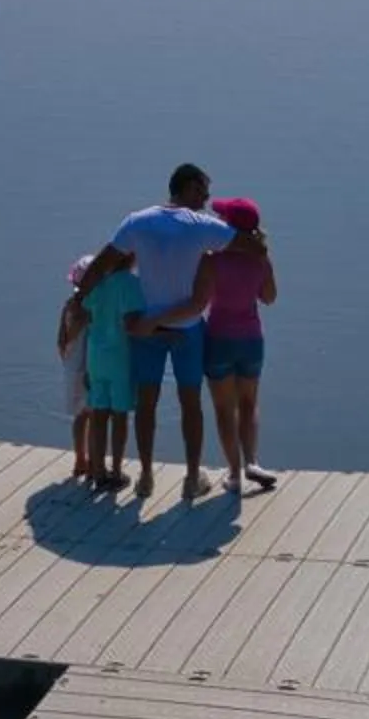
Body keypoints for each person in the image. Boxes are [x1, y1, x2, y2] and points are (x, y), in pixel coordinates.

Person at [76, 163, 263, 498]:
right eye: (203, 193)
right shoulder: (202, 226)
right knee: (191, 402)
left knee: (146, 402)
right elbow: (254, 248)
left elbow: (103, 262)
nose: (206, 202)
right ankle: (192, 478)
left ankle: (146, 475)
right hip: (188, 329)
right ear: (189, 189)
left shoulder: (138, 221)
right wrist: (248, 244)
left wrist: (79, 301)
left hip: (148, 328)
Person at [145, 197, 278, 491]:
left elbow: (197, 304)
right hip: (252, 341)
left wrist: (156, 320)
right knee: (248, 403)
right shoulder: (261, 259)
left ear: (228, 227)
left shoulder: (211, 260)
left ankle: (233, 473)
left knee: (223, 408)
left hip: (218, 339)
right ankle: (252, 460)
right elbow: (269, 297)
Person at [68, 249, 144, 490]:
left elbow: (86, 310)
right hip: (120, 357)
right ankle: (117, 470)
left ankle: (97, 469)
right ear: (132, 259)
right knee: (120, 415)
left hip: (95, 357)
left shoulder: (99, 284)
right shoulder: (132, 284)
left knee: (99, 413)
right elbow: (134, 320)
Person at [58, 256, 96, 483]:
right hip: (90, 366)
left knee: (80, 416)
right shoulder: (92, 309)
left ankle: (80, 459)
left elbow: (61, 342)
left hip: (73, 368)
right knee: (93, 415)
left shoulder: (69, 306)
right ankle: (90, 461)